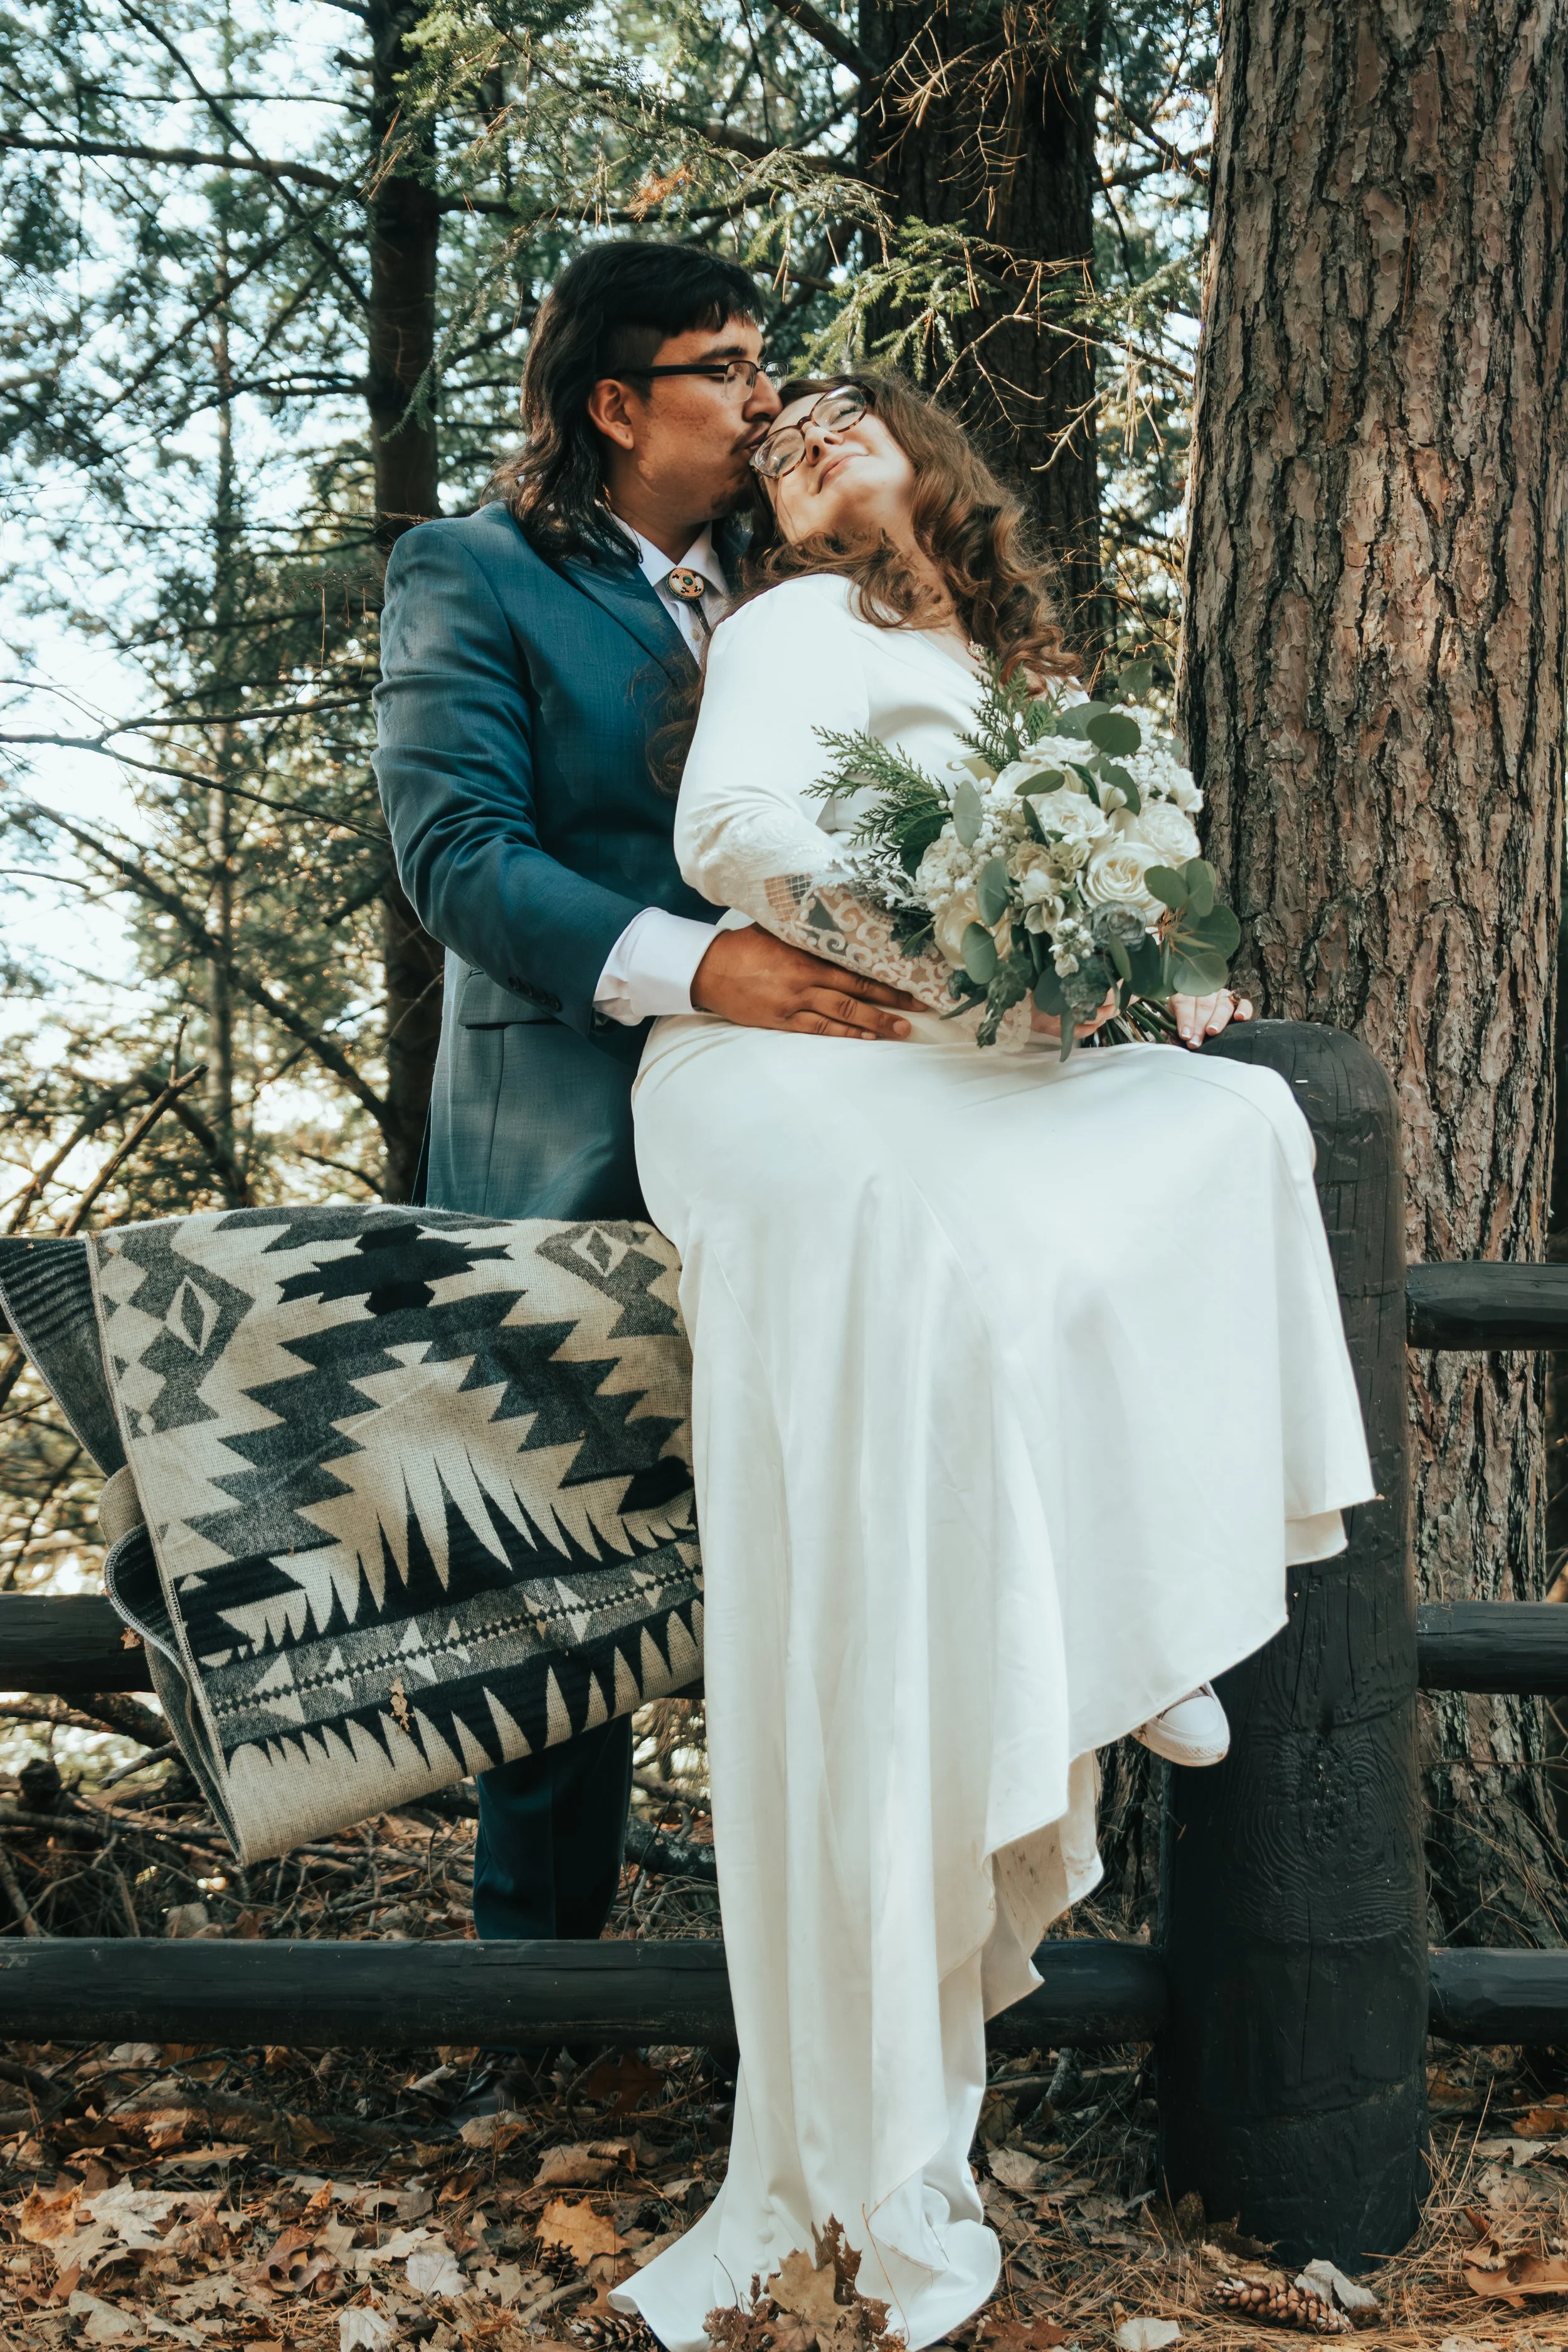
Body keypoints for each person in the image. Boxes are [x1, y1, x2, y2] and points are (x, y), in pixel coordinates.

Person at [612, 375, 1376, 2350]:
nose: (798, 443)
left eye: (840, 420)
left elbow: (1161, 906)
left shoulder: (1038, 681)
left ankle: (1148, 1590)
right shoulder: (792, 626)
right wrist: (961, 950)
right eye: (773, 444)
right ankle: (1088, 1631)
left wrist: (1168, 961)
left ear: (935, 458)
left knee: (1243, 1125)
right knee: (931, 1258)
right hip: (802, 1059)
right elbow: (729, 834)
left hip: (991, 1057)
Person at [373, 247, 919, 2096]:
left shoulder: (806, 585)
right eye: (726, 367)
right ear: (614, 403)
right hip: (573, 1133)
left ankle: (845, 2011)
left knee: (847, 1534)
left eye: (768, 363)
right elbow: (456, 854)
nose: (766, 398)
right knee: (563, 1560)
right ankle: (535, 2019)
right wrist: (707, 966)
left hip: (837, 1128)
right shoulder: (475, 573)